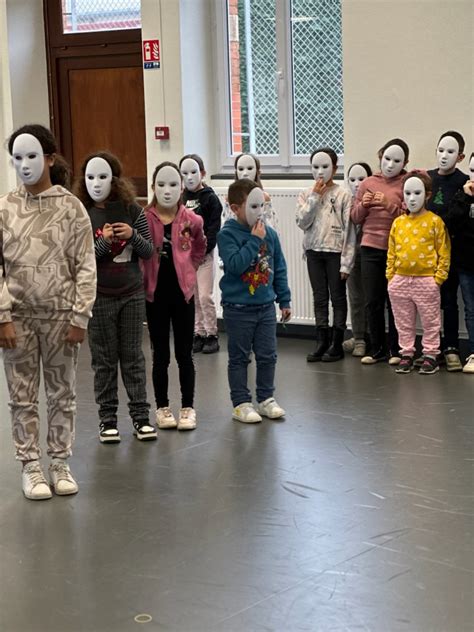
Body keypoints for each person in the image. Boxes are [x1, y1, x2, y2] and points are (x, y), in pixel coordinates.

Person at [0, 124, 96, 500]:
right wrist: (3, 315)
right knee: (21, 395)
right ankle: (31, 467)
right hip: (18, 321)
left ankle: (59, 462)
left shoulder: (70, 208)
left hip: (60, 319)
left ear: (50, 158)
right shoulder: (5, 207)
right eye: (17, 158)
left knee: (62, 394)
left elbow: (86, 264)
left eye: (32, 156)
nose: (24, 165)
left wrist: (79, 316)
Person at [74, 151, 156, 443]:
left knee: (133, 357)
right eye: (91, 177)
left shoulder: (133, 210)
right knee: (104, 360)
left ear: (115, 178)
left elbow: (148, 252)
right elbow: (82, 259)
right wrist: (103, 242)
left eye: (103, 176)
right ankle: (107, 420)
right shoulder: (82, 213)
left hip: (131, 294)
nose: (97, 183)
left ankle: (141, 417)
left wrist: (132, 234)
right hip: (99, 296)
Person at [217, 179, 291, 423]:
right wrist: (254, 240)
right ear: (236, 208)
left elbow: (278, 267)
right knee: (239, 358)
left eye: (262, 207)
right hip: (238, 308)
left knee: (268, 355)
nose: (259, 213)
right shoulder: (227, 235)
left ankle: (266, 398)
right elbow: (236, 265)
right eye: (253, 207)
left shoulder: (270, 234)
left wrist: (284, 300)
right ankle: (241, 403)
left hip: (265, 306)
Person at [141, 162, 206, 431]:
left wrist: (190, 268)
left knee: (184, 353)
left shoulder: (193, 220)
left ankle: (188, 407)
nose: (167, 191)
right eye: (161, 185)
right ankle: (162, 407)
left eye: (173, 185)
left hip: (183, 296)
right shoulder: (144, 218)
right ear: (154, 187)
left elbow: (201, 246)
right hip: (154, 297)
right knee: (160, 355)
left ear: (181, 187)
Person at [351, 138, 409, 365]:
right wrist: (364, 205)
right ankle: (377, 349)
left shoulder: (407, 182)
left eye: (397, 160)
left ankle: (397, 350)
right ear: (380, 156)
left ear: (405, 162)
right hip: (369, 248)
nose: (390, 164)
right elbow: (355, 217)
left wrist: (388, 204)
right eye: (387, 158)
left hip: (396, 250)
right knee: (372, 300)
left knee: (395, 301)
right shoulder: (367, 182)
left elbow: (408, 217)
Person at [387, 171, 450, 374]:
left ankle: (431, 354)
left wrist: (438, 278)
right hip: (400, 280)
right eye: (407, 193)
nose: (412, 198)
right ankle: (407, 353)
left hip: (426, 281)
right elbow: (391, 251)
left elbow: (444, 251)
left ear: (427, 195)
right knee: (403, 321)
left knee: (431, 321)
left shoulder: (435, 222)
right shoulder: (398, 223)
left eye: (417, 193)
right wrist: (391, 277)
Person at [296, 148, 356, 362]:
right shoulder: (305, 194)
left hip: (335, 253)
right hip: (313, 252)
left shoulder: (343, 195)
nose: (320, 172)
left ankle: (336, 342)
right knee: (319, 297)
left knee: (337, 298)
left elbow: (350, 229)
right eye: (315, 167)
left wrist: (346, 263)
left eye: (325, 167)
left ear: (335, 168)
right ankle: (322, 340)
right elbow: (302, 222)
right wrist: (314, 196)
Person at [426, 131, 469, 371]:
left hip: (450, 251)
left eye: (450, 152)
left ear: (460, 156)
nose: (444, 156)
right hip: (424, 252)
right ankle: (432, 348)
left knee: (449, 301)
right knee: (429, 302)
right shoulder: (427, 178)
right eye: (441, 150)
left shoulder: (463, 182)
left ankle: (451, 347)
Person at [179, 154, 222, 354]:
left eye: (194, 172)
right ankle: (198, 333)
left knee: (205, 296)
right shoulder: (181, 198)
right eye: (184, 173)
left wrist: (203, 250)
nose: (189, 177)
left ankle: (212, 334)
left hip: (204, 257)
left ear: (202, 173)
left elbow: (213, 229)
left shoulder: (211, 199)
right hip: (187, 259)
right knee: (192, 296)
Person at [444, 152, 474, 373]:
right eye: (472, 170)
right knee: (471, 310)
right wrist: (464, 198)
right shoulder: (462, 195)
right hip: (466, 264)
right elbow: (450, 224)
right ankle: (473, 352)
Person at [343, 162, 373, 357]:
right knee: (355, 297)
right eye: (352, 180)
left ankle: (372, 337)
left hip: (372, 252)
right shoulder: (346, 201)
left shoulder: (375, 199)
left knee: (373, 297)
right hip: (352, 253)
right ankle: (359, 337)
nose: (356, 184)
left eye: (361, 179)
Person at [222, 153, 279, 231]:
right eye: (241, 169)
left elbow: (272, 227)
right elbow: (225, 225)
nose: (245, 173)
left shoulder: (264, 197)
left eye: (249, 168)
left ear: (257, 172)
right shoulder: (229, 198)